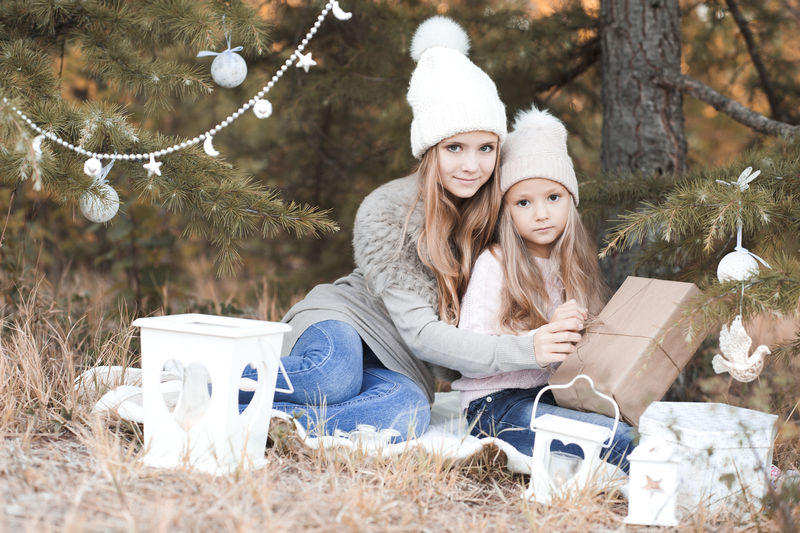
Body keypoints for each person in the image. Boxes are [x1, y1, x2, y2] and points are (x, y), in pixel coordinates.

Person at [240, 17, 557, 441]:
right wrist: (526, 348)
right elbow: (423, 333)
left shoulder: (504, 214)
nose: (471, 165)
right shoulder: (390, 211)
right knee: (334, 376)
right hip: (345, 320)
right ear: (430, 150)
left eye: (486, 148)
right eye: (454, 148)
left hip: (398, 362)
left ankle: (236, 409)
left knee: (405, 414)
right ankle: (216, 372)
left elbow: (549, 191)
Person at [453, 106, 636, 471]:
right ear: (506, 211)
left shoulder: (574, 267)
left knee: (628, 428)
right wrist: (544, 332)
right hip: (493, 404)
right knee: (616, 441)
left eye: (553, 197)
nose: (541, 213)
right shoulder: (496, 263)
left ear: (571, 200)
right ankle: (688, 476)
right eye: (524, 202)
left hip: (551, 397)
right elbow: (468, 351)